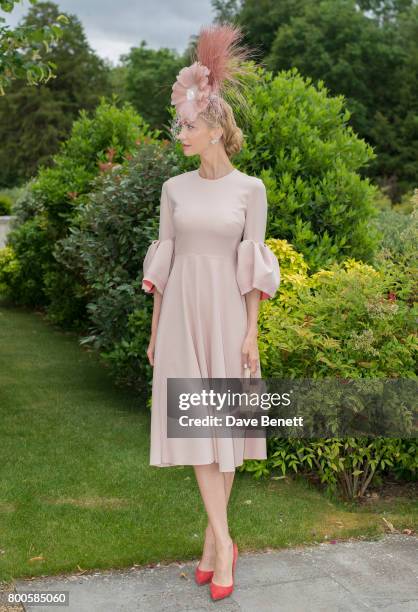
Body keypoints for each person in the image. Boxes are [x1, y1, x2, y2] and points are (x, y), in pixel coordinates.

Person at [141, 23, 280, 601]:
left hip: (227, 316)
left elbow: (251, 267)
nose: (181, 135)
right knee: (199, 426)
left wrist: (252, 331)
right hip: (179, 318)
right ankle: (225, 543)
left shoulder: (252, 189)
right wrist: (154, 334)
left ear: (217, 128)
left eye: (189, 126)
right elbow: (163, 267)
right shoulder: (174, 189)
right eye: (180, 126)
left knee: (224, 429)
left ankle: (212, 541)